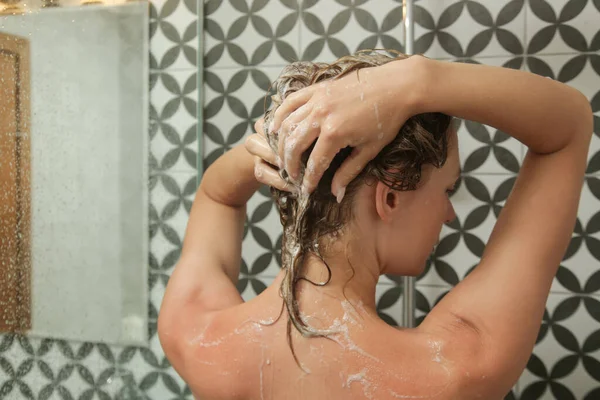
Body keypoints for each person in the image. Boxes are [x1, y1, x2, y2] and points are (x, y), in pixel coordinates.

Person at [157, 50, 593, 400]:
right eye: (447, 191)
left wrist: (282, 145)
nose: (450, 215)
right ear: (389, 197)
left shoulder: (197, 335)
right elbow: (569, 124)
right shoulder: (455, 369)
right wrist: (419, 81)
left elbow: (218, 195)